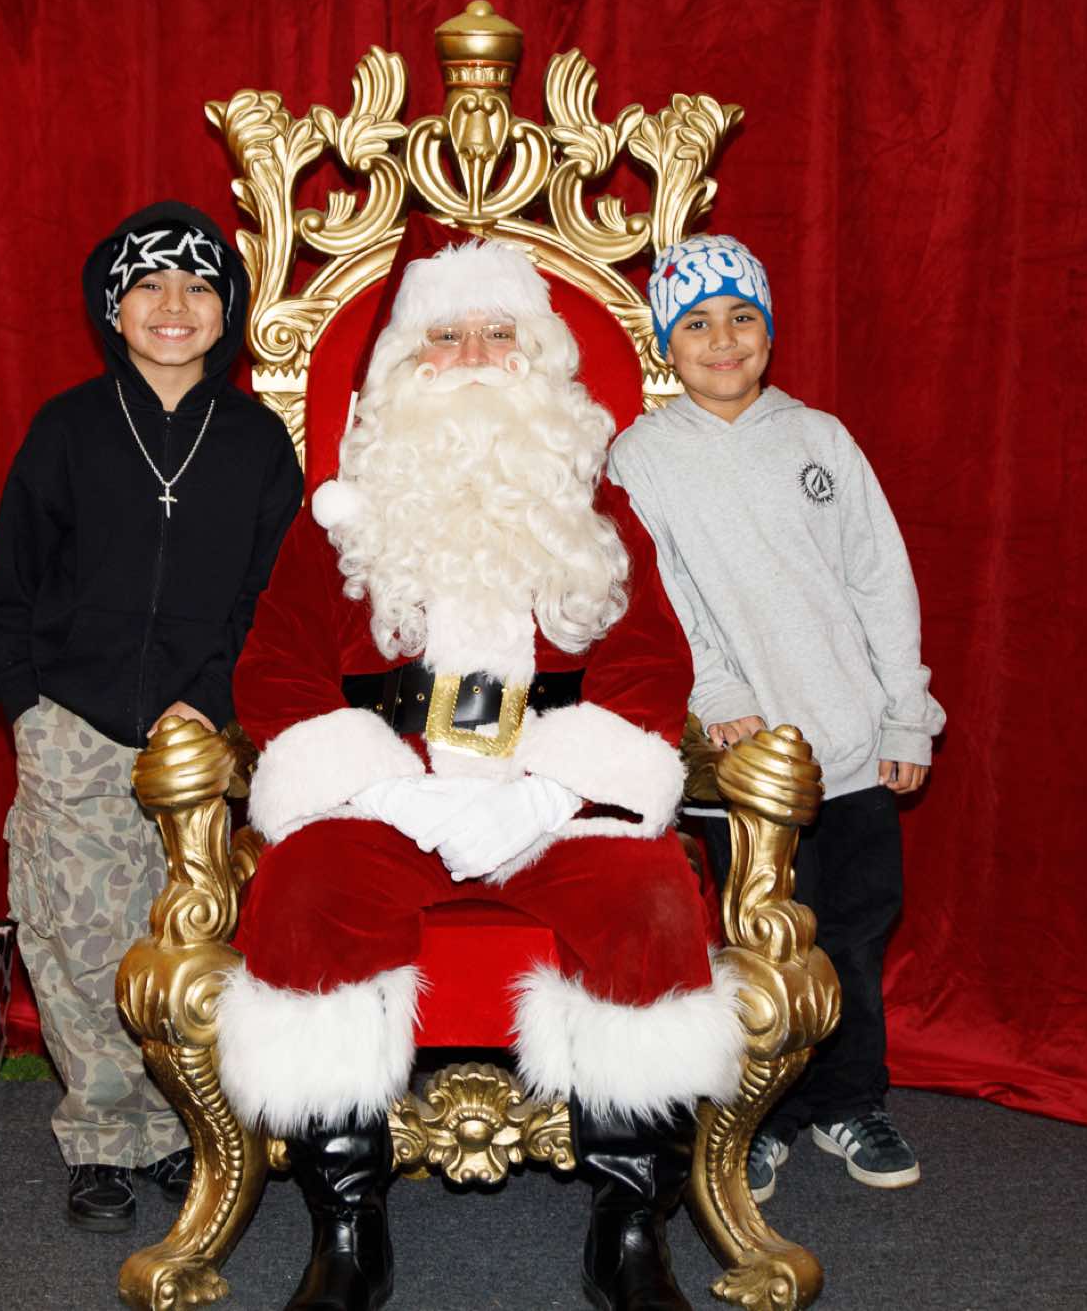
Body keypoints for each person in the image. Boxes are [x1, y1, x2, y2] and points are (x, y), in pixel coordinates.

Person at [225, 238, 728, 1311]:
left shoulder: (594, 511)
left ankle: (630, 1225)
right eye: (443, 337)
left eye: (498, 334)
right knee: (305, 892)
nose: (470, 358)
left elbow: (649, 667)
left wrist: (550, 791)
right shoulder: (336, 518)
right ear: (404, 365)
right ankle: (346, 1225)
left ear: (536, 357)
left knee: (649, 897)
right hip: (385, 801)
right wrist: (388, 790)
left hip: (555, 803)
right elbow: (275, 672)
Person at [0, 201, 302, 1233]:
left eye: (198, 286)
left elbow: (274, 596)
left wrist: (219, 701)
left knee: (183, 930)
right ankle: (105, 1134)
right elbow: (12, 582)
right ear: (113, 308)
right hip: (72, 715)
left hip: (202, 730)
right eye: (149, 285)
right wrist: (26, 703)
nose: (173, 305)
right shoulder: (67, 428)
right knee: (78, 932)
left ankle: (184, 1123)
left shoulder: (256, 442)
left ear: (227, 311)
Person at [607, 233, 945, 1199]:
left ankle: (851, 1099)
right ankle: (756, 1117)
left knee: (851, 935)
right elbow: (659, 597)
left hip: (849, 748)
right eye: (697, 324)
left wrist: (905, 713)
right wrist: (718, 695)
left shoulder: (819, 439)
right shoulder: (641, 457)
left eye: (742, 317)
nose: (723, 340)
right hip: (740, 760)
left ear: (769, 330)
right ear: (667, 344)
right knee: (751, 942)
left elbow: (880, 580)